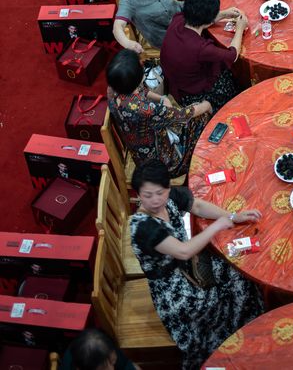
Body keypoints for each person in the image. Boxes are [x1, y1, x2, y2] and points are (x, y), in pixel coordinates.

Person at [129, 160, 264, 369]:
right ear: (137, 194)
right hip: (173, 288)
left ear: (167, 187)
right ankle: (238, 343)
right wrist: (218, 226)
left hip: (189, 266)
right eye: (147, 196)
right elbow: (184, 251)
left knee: (237, 272)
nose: (155, 200)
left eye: (160, 193)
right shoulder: (143, 227)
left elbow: (197, 205)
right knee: (229, 291)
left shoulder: (170, 197)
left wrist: (233, 216)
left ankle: (248, 331)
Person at [107, 50, 208, 174]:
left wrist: (161, 98)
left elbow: (140, 90)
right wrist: (206, 105)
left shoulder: (113, 90)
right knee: (201, 116)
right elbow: (182, 115)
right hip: (160, 164)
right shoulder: (146, 109)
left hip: (138, 153)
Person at [160, 0, 245, 108]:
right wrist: (240, 28)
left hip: (174, 81)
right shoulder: (201, 48)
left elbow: (200, 21)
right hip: (191, 92)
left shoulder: (178, 19)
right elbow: (232, 55)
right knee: (232, 77)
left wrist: (224, 14)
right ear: (208, 19)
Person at [59, 328, 140, 370]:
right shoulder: (73, 363)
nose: (111, 369)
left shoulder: (107, 348)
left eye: (113, 362)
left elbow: (127, 364)